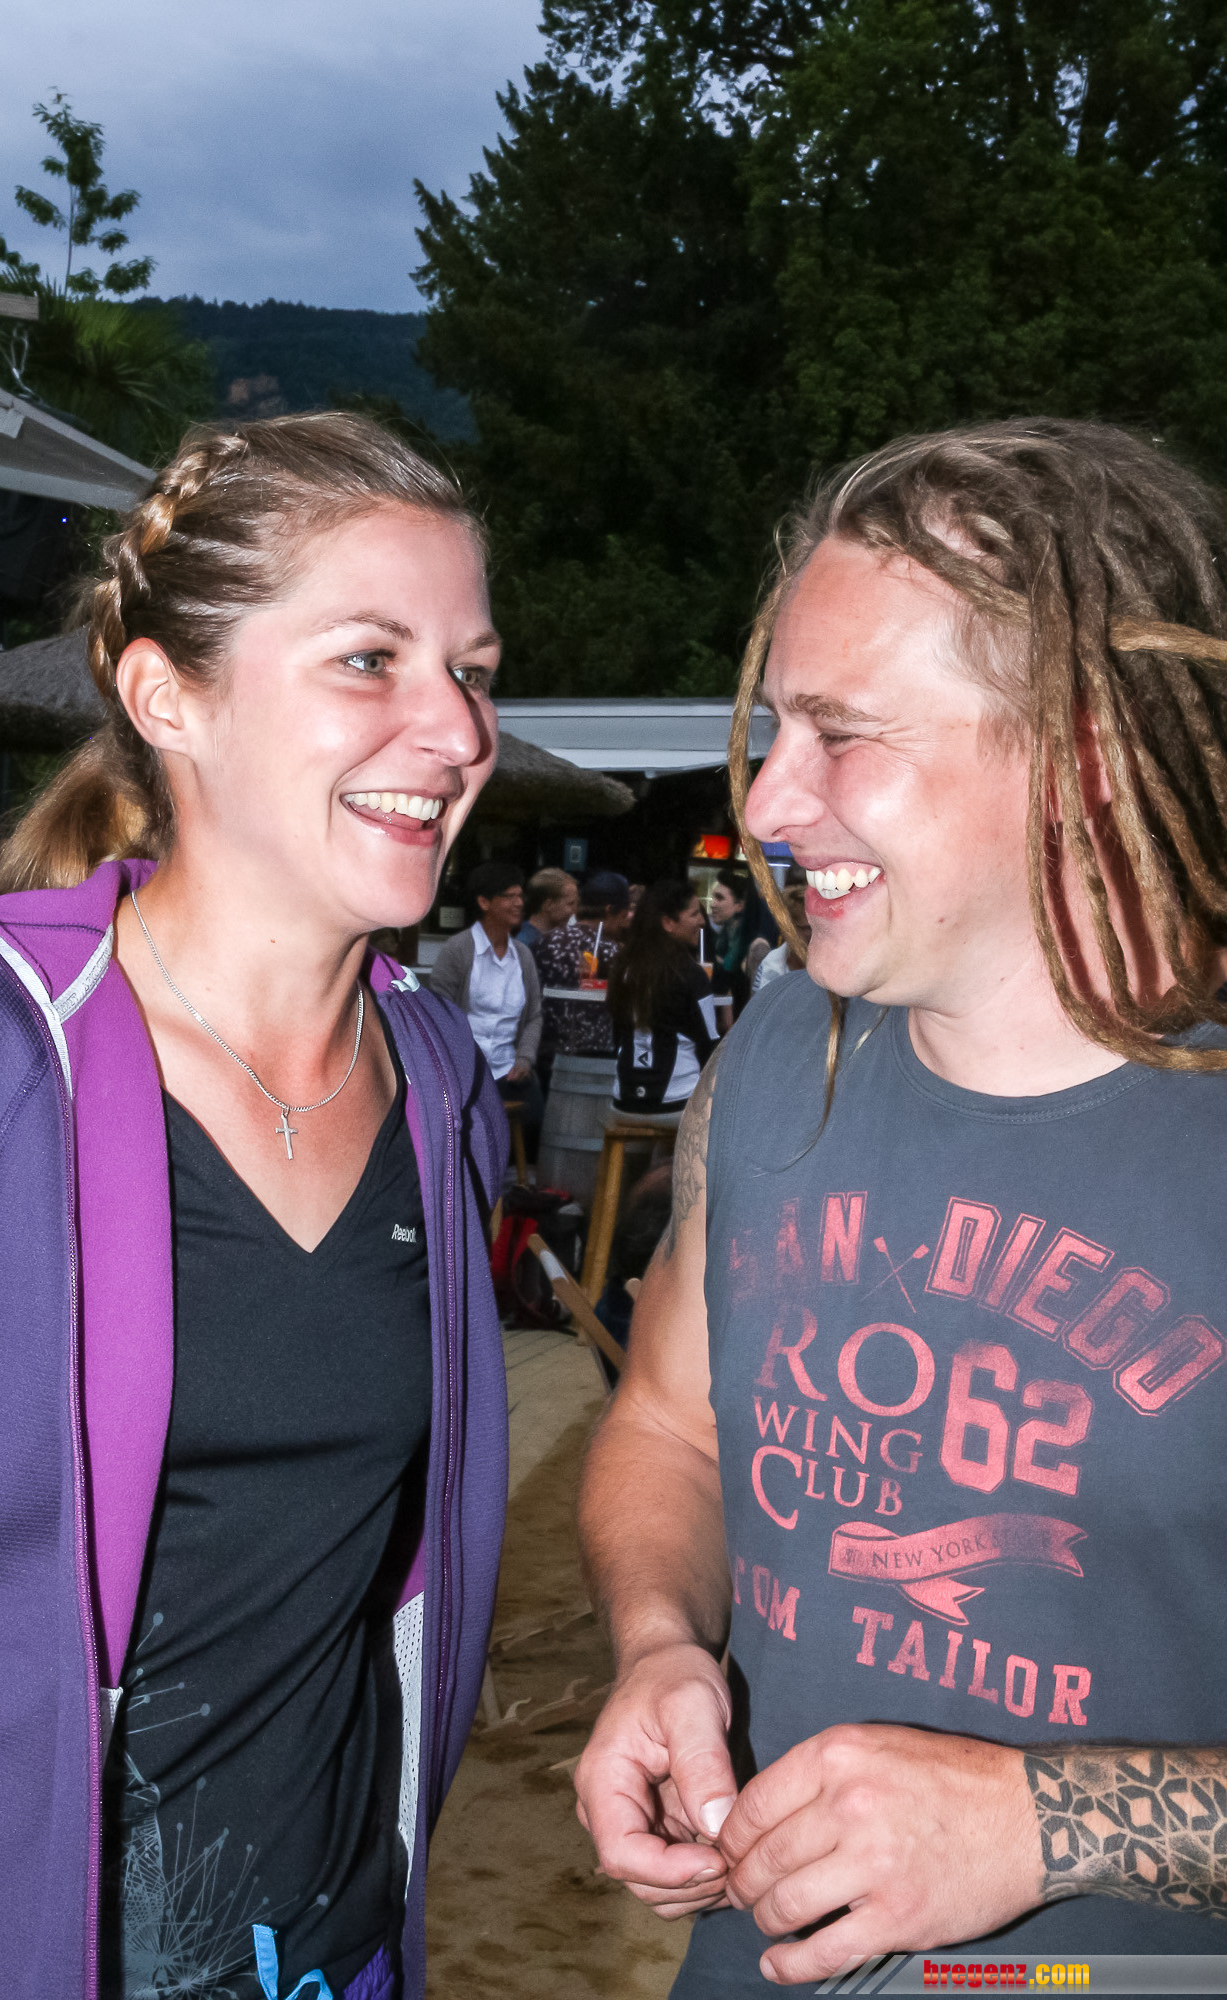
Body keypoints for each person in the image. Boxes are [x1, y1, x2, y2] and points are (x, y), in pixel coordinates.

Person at [574, 418, 1227, 1991]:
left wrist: (1041, 1824)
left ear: (1080, 751)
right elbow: (670, 1428)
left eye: (841, 734)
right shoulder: (780, 1052)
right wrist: (660, 1646)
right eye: (774, 728)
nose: (767, 806)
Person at [0, 412, 510, 2000]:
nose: (455, 730)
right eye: (369, 660)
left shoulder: (440, 1083)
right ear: (171, 697)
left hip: (336, 1946)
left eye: (473, 671)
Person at [424, 859, 544, 1150]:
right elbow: (439, 1013)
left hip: (507, 1071)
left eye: (520, 896)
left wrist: (524, 1059)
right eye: (509, 896)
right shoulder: (459, 949)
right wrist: (462, 1063)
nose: (519, 903)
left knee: (536, 1119)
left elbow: (534, 1016)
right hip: (466, 1071)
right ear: (484, 902)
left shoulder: (522, 955)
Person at [605, 878, 714, 1118]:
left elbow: (617, 1035)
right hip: (677, 1105)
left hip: (623, 1103)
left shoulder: (621, 968)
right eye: (694, 914)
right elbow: (709, 1043)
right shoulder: (692, 974)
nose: (702, 921)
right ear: (668, 923)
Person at [532, 870, 632, 1080]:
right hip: (596, 1063)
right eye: (623, 916)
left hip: (543, 1056)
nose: (625, 924)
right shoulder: (613, 951)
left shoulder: (543, 942)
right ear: (609, 911)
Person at [708, 869, 750, 1022]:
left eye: (720, 898)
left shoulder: (747, 942)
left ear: (739, 905)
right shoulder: (723, 936)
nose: (713, 904)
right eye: (713, 897)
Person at [516, 865, 578, 951]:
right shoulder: (525, 944)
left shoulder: (561, 938)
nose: (574, 911)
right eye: (570, 904)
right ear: (549, 905)